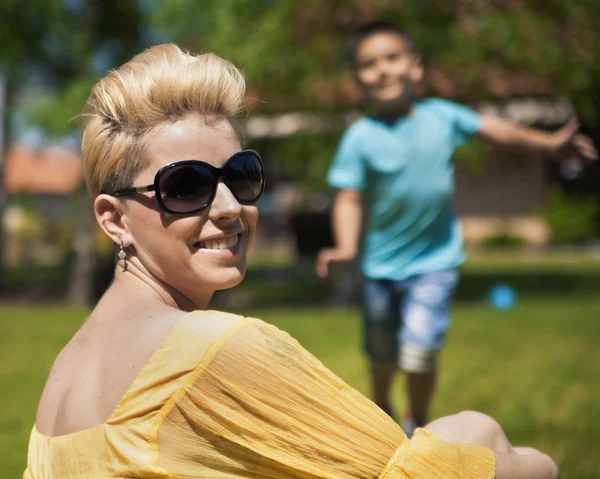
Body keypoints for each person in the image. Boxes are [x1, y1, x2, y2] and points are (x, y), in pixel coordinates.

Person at [25, 43, 560, 479]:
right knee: (479, 431)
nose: (233, 208)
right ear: (114, 219)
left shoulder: (63, 377)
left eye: (241, 175)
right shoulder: (211, 350)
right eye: (186, 186)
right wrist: (544, 466)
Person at [316, 21, 597, 434]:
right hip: (378, 266)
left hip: (434, 261)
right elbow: (349, 198)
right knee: (381, 351)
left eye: (392, 58)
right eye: (368, 64)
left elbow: (498, 130)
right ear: (358, 79)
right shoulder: (360, 137)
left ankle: (416, 421)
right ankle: (380, 407)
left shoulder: (441, 116)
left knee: (421, 348)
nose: (382, 70)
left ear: (416, 67)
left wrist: (548, 145)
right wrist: (345, 247)